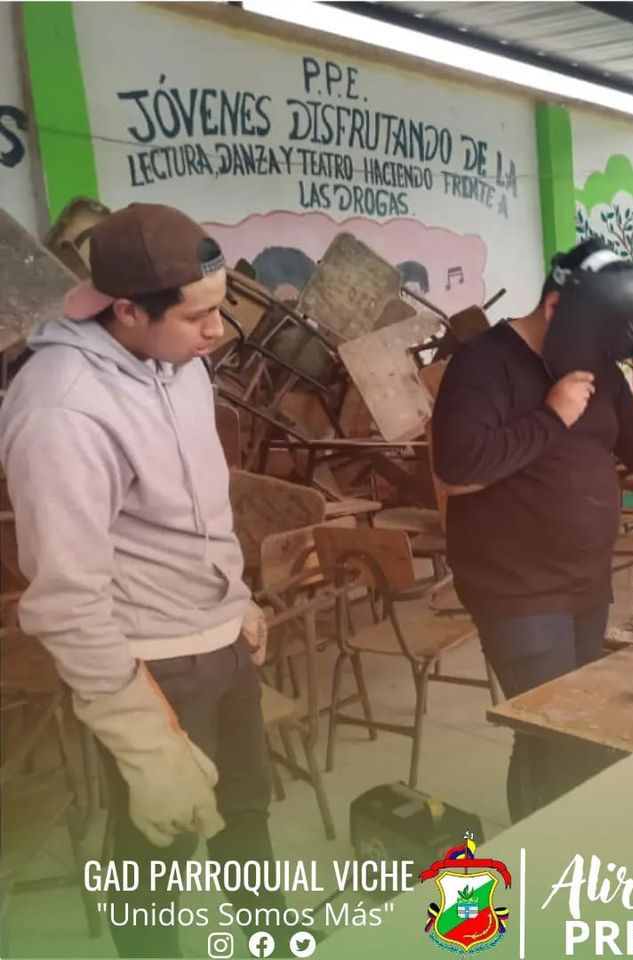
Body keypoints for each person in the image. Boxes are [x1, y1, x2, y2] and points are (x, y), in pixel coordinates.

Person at [0, 203, 283, 958]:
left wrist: (238, 599)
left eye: (219, 308)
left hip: (222, 640)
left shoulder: (180, 361)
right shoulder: (63, 408)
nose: (216, 332)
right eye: (197, 316)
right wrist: (139, 733)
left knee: (246, 812)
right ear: (125, 309)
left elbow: (201, 505)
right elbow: (64, 596)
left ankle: (272, 938)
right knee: (156, 853)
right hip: (152, 665)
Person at [430, 239, 633, 821]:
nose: (603, 360)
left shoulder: (594, 365)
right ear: (555, 308)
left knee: (578, 725)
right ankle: (547, 849)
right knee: (553, 732)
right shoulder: (482, 364)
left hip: (584, 583)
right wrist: (551, 416)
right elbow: (457, 470)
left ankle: (567, 837)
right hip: (516, 589)